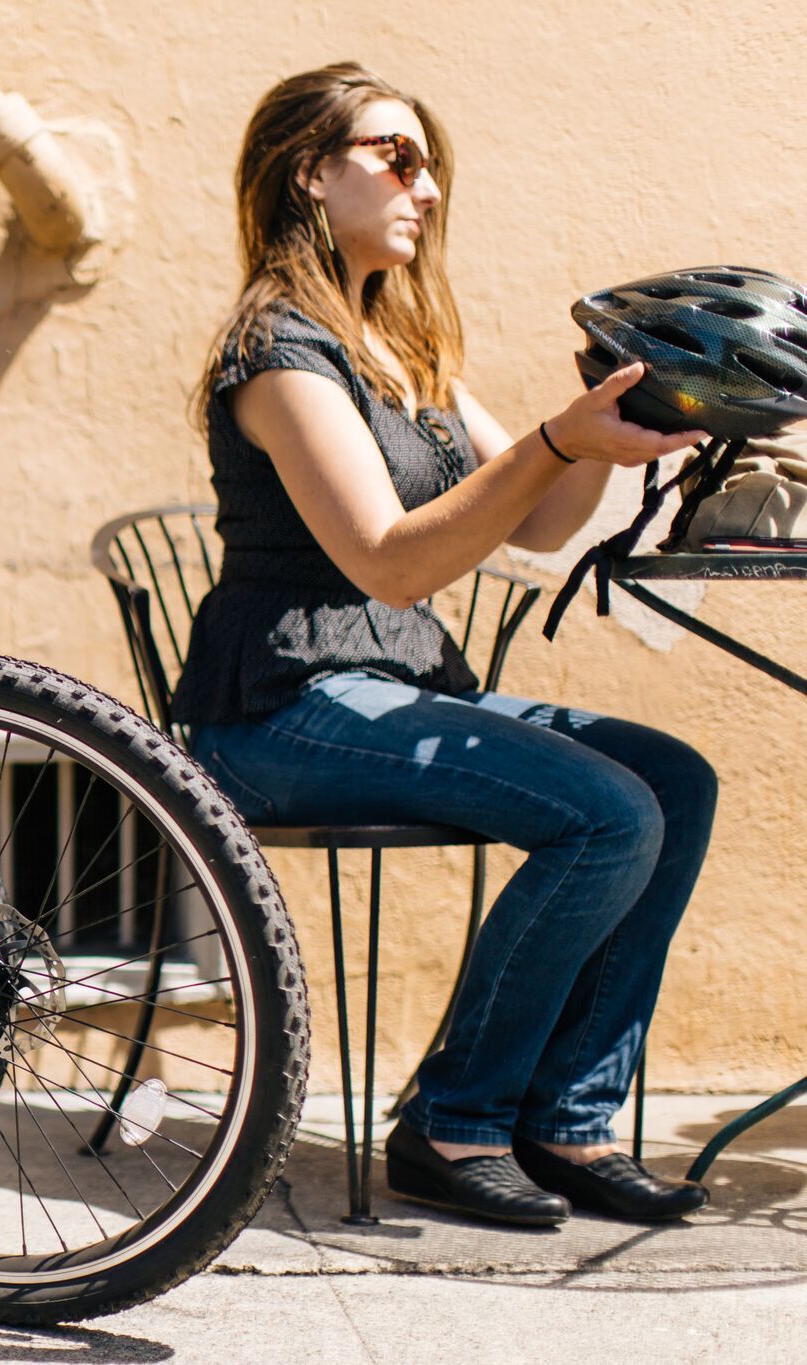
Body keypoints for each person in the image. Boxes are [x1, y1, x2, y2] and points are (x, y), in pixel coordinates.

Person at [173, 62, 716, 1226]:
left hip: (389, 690)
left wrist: (616, 436)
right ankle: (454, 1119)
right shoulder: (279, 355)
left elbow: (536, 524)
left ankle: (563, 1122)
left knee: (674, 777)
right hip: (276, 707)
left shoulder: (398, 344)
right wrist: (552, 443)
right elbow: (387, 559)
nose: (424, 189)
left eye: (432, 168)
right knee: (606, 813)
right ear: (309, 175)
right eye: (394, 158)